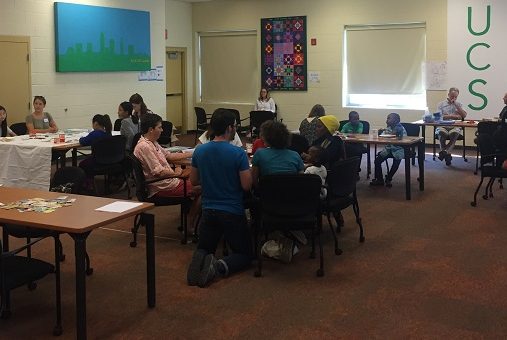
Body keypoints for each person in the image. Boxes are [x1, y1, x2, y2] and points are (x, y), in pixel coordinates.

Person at [187, 108, 252, 288]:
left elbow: (193, 181)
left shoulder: (200, 151)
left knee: (205, 247)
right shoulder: (238, 154)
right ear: (230, 128)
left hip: (208, 211)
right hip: (232, 212)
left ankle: (201, 259)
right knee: (245, 254)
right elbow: (246, 185)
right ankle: (218, 266)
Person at [134, 113, 199, 224]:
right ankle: (190, 222)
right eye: (159, 127)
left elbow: (169, 155)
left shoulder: (152, 143)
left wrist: (193, 153)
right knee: (202, 188)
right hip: (162, 187)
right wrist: (176, 173)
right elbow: (158, 171)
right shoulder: (145, 147)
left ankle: (190, 216)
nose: (162, 130)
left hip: (169, 182)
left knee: (198, 182)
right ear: (151, 129)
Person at [251, 120, 304, 184]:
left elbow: (254, 180)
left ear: (268, 137)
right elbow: (301, 180)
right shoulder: (296, 155)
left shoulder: (259, 153)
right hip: (291, 192)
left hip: (267, 192)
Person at [370, 113, 407, 187]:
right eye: (387, 118)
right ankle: (380, 179)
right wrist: (380, 133)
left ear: (396, 120)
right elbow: (383, 136)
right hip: (388, 149)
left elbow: (404, 140)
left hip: (398, 150)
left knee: (396, 162)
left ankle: (389, 178)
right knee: (377, 161)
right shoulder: (388, 128)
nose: (386, 120)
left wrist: (396, 136)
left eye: (389, 118)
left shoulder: (401, 128)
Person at [436, 87, 467, 166]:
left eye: (455, 97)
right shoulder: (441, 104)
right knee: (441, 134)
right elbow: (439, 117)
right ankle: (447, 155)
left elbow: (463, 116)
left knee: (454, 135)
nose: (453, 98)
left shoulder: (459, 104)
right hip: (443, 125)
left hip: (455, 126)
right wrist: (454, 116)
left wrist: (456, 106)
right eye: (452, 96)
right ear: (448, 94)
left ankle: (444, 153)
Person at [78, 114, 113, 183]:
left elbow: (82, 141)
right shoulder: (108, 133)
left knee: (82, 164)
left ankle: (88, 183)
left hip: (98, 161)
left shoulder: (95, 134)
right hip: (110, 160)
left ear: (96, 123)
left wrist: (81, 138)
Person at [340, 110, 365, 178]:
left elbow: (359, 133)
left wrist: (349, 134)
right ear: (350, 119)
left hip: (358, 143)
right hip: (348, 144)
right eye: (355, 119)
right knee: (343, 150)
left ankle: (356, 171)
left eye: (358, 118)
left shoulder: (360, 124)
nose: (357, 120)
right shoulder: (346, 125)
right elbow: (342, 134)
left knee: (358, 151)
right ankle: (348, 169)